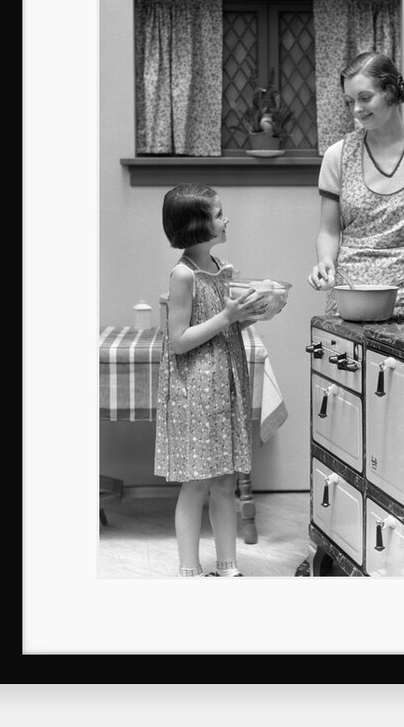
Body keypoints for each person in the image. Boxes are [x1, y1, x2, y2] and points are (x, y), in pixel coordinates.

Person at [154, 182, 267, 578]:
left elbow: (224, 325)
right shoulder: (183, 275)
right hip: (196, 390)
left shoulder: (221, 269)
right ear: (196, 225)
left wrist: (254, 313)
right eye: (219, 214)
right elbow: (179, 340)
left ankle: (228, 565)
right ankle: (189, 569)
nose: (226, 219)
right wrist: (227, 317)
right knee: (197, 482)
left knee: (225, 480)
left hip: (226, 383)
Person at [307, 51, 404, 316]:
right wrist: (325, 261)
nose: (356, 109)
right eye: (350, 101)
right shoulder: (337, 156)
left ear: (391, 92)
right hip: (350, 294)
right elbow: (328, 231)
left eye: (365, 98)